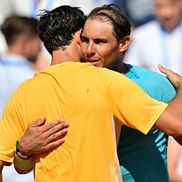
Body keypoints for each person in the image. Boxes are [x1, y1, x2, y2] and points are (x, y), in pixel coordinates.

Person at [0, 4, 182, 182]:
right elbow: (177, 124)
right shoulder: (104, 81)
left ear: (124, 43)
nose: (89, 50)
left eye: (99, 41)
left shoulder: (26, 91)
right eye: (86, 40)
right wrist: (22, 151)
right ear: (79, 37)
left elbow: (21, 166)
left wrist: (22, 152)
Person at [0, 15, 40, 182]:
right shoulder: (34, 78)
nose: (39, 48)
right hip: (23, 168)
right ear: (24, 42)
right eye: (38, 42)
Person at [125, 0, 182, 75]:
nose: (166, 13)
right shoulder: (141, 35)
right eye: (159, 7)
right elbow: (131, 71)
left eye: (172, 5)